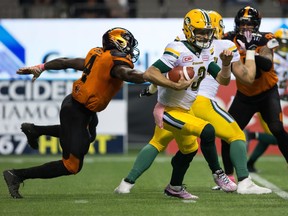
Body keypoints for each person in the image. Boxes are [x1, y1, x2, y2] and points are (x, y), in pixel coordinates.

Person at [3, 27, 191, 199]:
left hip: (79, 106)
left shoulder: (98, 54)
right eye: (129, 44)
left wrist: (42, 67)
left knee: (88, 136)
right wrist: (149, 76)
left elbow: (67, 62)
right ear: (119, 42)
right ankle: (17, 175)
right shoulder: (115, 62)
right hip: (76, 111)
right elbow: (126, 74)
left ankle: (35, 130)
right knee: (72, 166)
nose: (131, 49)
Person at [115, 9, 271, 196]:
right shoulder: (179, 48)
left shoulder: (206, 51)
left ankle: (147, 185)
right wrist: (172, 84)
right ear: (190, 31)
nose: (206, 36)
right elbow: (152, 73)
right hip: (177, 108)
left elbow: (223, 80)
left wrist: (226, 63)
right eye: (201, 32)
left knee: (182, 147)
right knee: (225, 133)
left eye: (208, 31)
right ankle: (226, 175)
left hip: (185, 108)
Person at [221, 6, 288, 179]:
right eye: (243, 24)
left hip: (267, 93)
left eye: (249, 24)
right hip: (245, 96)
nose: (245, 27)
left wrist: (251, 51)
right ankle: (228, 177)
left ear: (256, 25)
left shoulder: (266, 38)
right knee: (227, 133)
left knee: (277, 129)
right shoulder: (228, 39)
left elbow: (267, 64)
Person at [245, 27, 288, 173]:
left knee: (275, 133)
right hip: (266, 97)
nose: (284, 48)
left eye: (286, 45)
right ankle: (251, 135)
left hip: (276, 97)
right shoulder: (271, 57)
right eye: (281, 44)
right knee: (277, 135)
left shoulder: (284, 59)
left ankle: (250, 163)